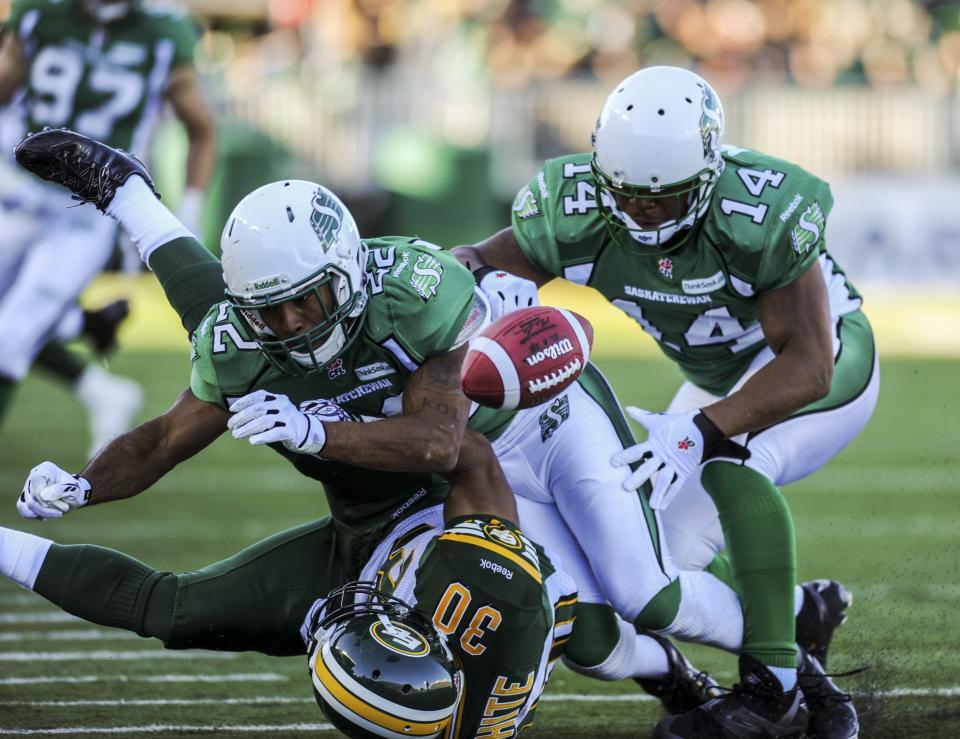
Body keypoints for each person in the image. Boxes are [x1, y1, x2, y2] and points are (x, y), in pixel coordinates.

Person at [14, 127, 734, 721]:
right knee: (173, 598)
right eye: (271, 310)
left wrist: (311, 431)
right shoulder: (246, 338)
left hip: (441, 489)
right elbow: (166, 438)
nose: (293, 323)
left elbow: (453, 448)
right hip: (369, 519)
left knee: (585, 632)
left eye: (309, 300)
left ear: (349, 274)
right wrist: (81, 485)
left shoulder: (410, 297)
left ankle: (710, 654)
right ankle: (130, 193)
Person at [453, 65, 876, 739]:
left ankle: (775, 693)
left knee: (729, 458)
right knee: (659, 560)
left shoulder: (760, 213)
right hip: (716, 377)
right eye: (628, 193)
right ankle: (800, 620)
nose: (644, 209)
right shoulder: (574, 207)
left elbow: (808, 364)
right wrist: (471, 287)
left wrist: (699, 431)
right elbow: (474, 260)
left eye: (667, 196)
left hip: (822, 362)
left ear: (708, 177)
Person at [0, 0, 216, 455]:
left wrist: (190, 208)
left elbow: (201, 128)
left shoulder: (163, 32)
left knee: (10, 337)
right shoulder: (40, 13)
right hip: (17, 194)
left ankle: (84, 331)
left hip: (87, 211)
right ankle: (89, 342)